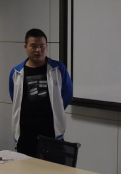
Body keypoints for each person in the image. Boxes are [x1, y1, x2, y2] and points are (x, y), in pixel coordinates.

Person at [9, 29, 73, 157]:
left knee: (53, 167)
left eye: (42, 46)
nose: (38, 50)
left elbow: (66, 95)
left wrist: (56, 109)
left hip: (51, 131)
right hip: (26, 133)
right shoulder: (16, 72)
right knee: (26, 168)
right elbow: (14, 97)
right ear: (25, 47)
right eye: (33, 46)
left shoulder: (58, 69)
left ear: (47, 47)